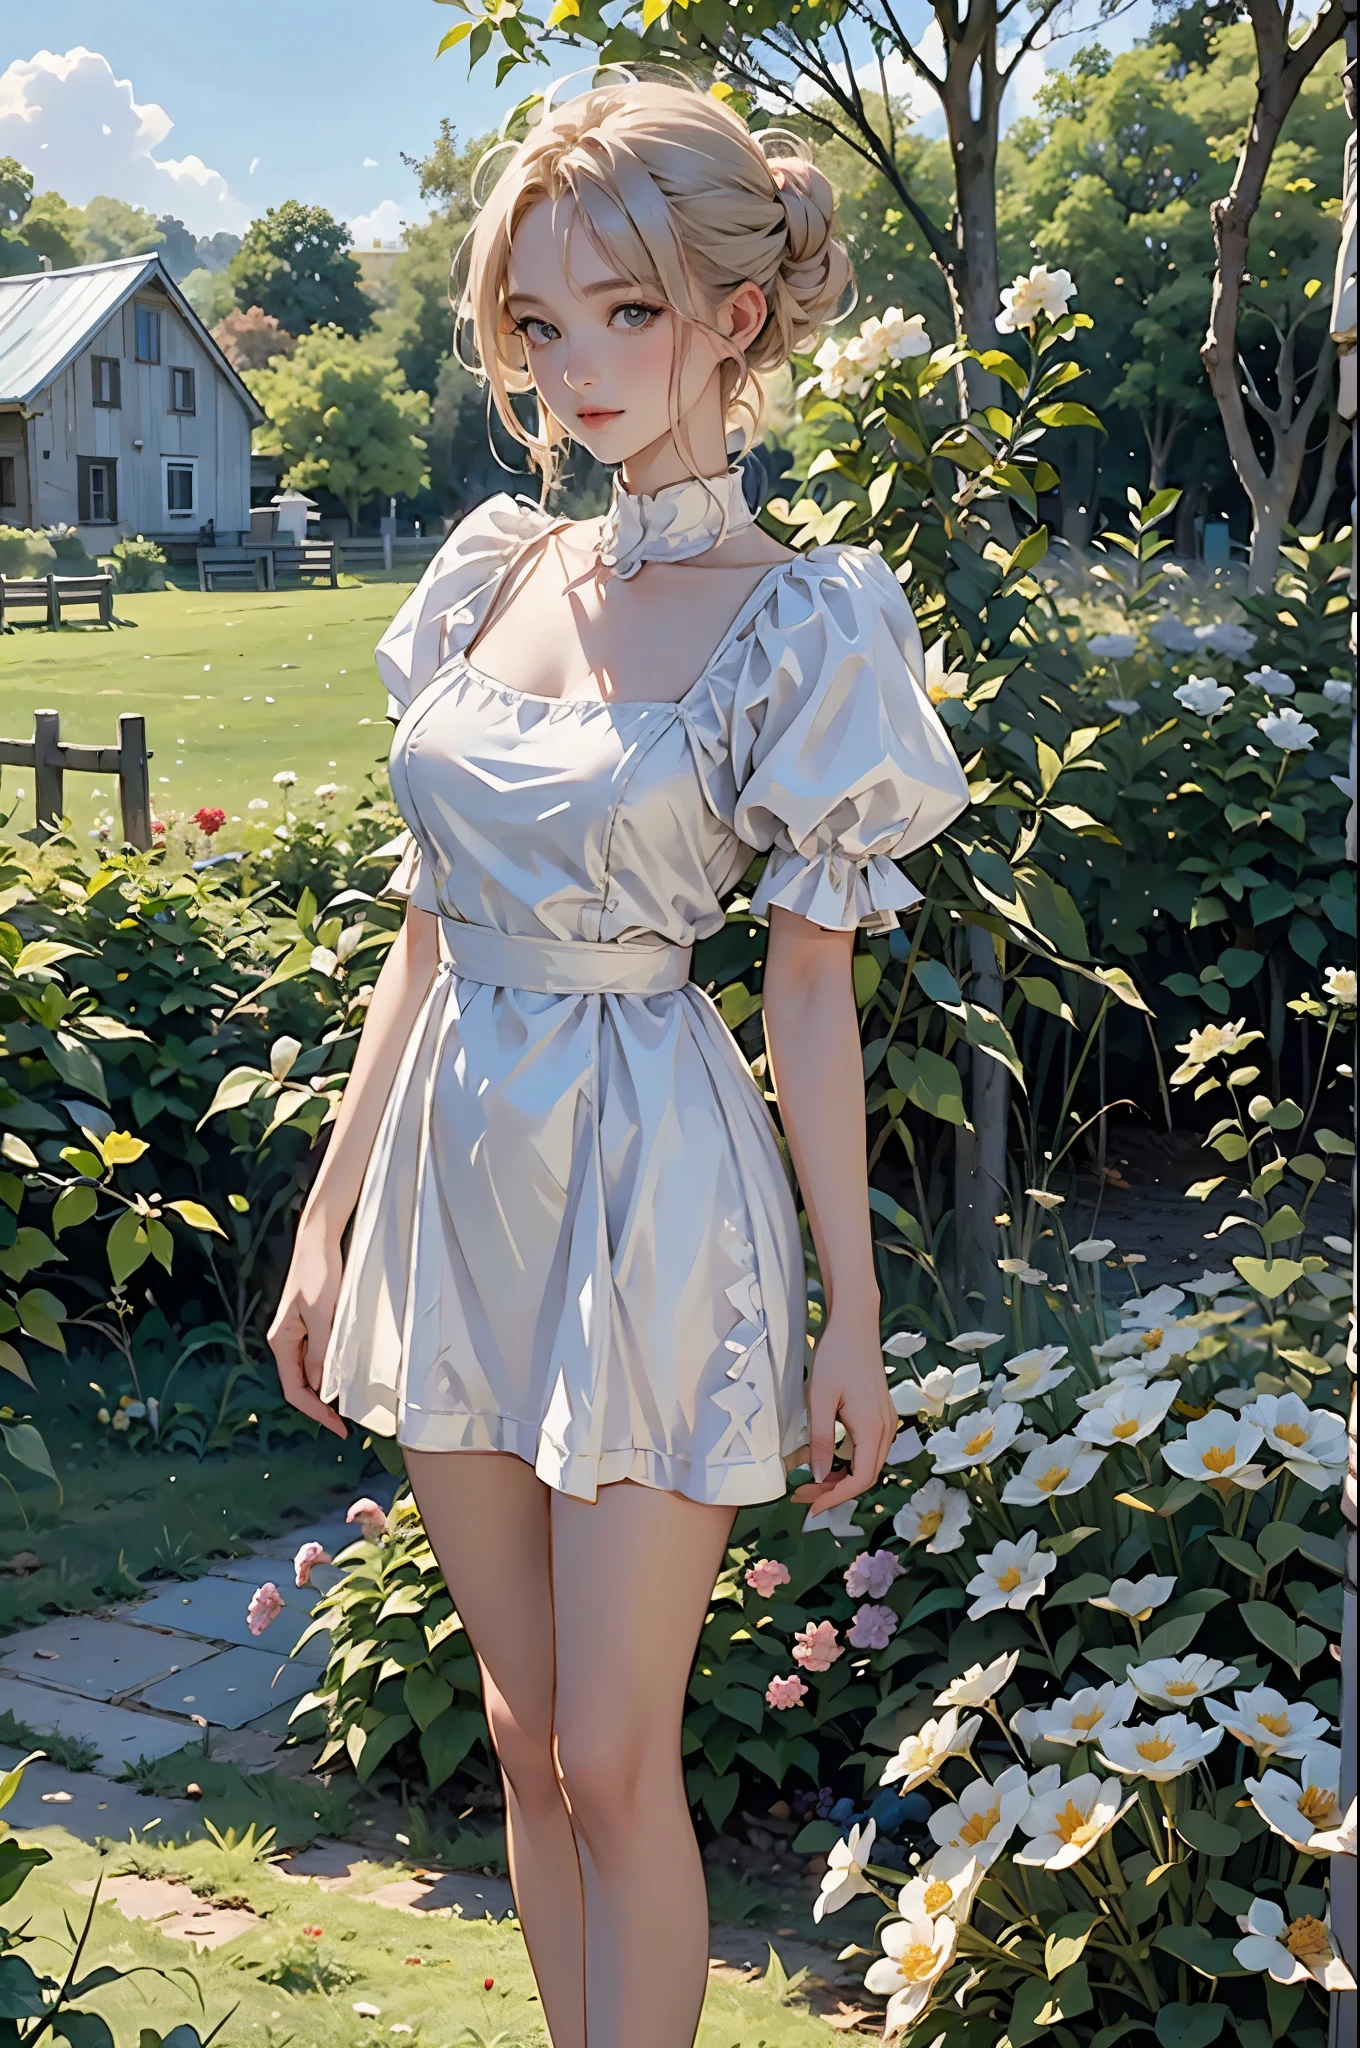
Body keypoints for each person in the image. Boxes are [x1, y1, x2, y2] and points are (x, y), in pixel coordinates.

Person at [268, 76, 969, 2048]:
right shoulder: (492, 574)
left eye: (625, 312)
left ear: (733, 317)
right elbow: (424, 932)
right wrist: (327, 1227)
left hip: (651, 1184)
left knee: (605, 1743)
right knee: (514, 1730)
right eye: (538, 321)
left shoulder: (799, 617)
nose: (574, 366)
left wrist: (849, 1313)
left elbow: (807, 991)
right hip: (450, 1176)